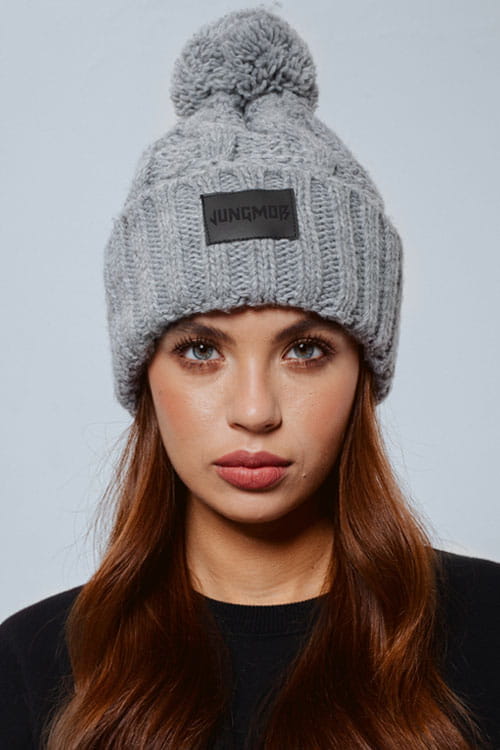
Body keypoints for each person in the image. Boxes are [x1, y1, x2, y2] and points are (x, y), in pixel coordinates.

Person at [1, 6, 499, 749]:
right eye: (202, 350)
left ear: (364, 369)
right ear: (144, 372)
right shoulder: (29, 665)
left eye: (306, 350)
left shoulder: (488, 633)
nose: (256, 410)